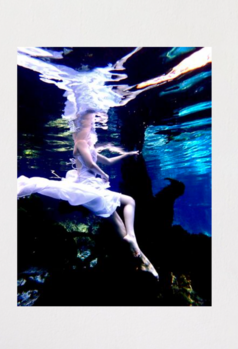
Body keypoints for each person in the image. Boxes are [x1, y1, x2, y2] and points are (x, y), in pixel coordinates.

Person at [17, 109, 158, 279]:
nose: (92, 126)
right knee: (128, 203)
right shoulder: (80, 143)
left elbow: (108, 160)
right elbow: (91, 164)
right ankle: (135, 244)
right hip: (88, 189)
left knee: (118, 220)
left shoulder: (87, 144)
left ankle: (141, 259)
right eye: (90, 123)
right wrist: (103, 174)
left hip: (93, 189)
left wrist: (127, 154)